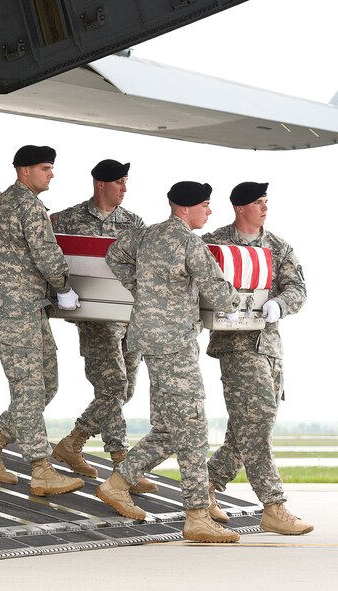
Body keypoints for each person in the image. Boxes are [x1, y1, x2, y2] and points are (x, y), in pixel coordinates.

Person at [98, 181, 242, 543]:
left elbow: (114, 254)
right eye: (205, 206)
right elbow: (220, 294)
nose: (209, 213)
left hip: (148, 339)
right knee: (192, 426)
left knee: (168, 428)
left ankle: (118, 484)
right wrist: (246, 300)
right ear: (185, 209)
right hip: (175, 344)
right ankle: (196, 514)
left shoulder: (144, 235)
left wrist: (142, 289)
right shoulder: (191, 243)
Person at [0, 145, 84, 497]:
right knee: (30, 387)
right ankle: (40, 468)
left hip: (24, 306)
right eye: (45, 168)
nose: (51, 174)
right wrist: (64, 286)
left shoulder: (0, 204)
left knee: (47, 382)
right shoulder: (27, 206)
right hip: (15, 308)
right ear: (24, 171)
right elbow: (47, 254)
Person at [202, 181, 313, 535]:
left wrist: (280, 304)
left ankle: (205, 485)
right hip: (235, 346)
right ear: (240, 208)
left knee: (248, 425)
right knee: (259, 418)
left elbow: (298, 288)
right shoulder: (214, 244)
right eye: (258, 202)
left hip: (269, 347)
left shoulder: (278, 247)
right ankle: (273, 504)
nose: (265, 208)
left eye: (267, 202)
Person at [49, 159, 155, 493]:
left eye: (126, 182)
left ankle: (73, 441)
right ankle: (122, 463)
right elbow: (42, 250)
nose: (125, 188)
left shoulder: (133, 222)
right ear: (100, 185)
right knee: (112, 385)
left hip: (128, 317)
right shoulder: (67, 219)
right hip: (94, 317)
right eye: (120, 182)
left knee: (126, 389)